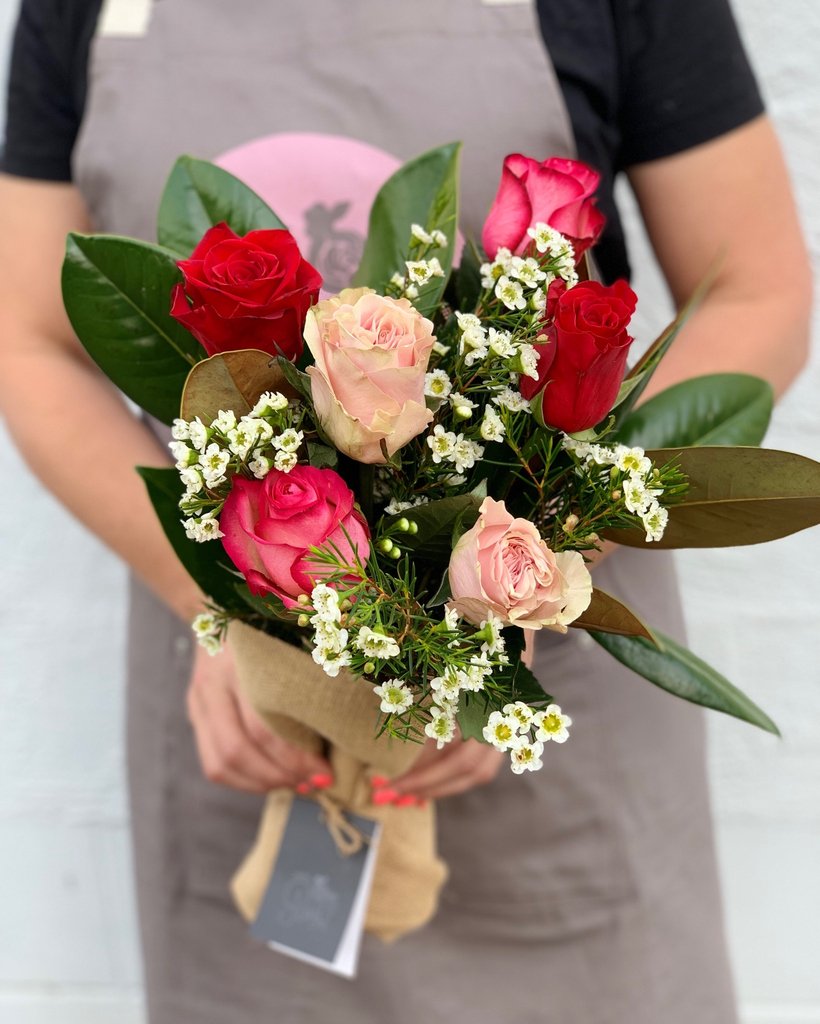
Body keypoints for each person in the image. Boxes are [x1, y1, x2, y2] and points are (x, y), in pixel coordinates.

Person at [0, 0, 811, 1021]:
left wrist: (512, 572)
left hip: (554, 745)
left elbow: (756, 291)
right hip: (247, 730)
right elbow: (30, 335)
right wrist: (225, 607)